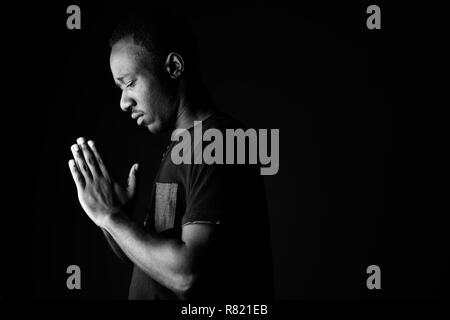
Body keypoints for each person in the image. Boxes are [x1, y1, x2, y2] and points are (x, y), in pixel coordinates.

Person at [68, 8, 273, 300]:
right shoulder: (185, 147)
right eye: (119, 88)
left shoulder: (221, 142)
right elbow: (155, 265)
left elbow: (186, 275)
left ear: (174, 67)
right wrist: (113, 219)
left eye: (129, 83)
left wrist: (112, 218)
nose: (124, 102)